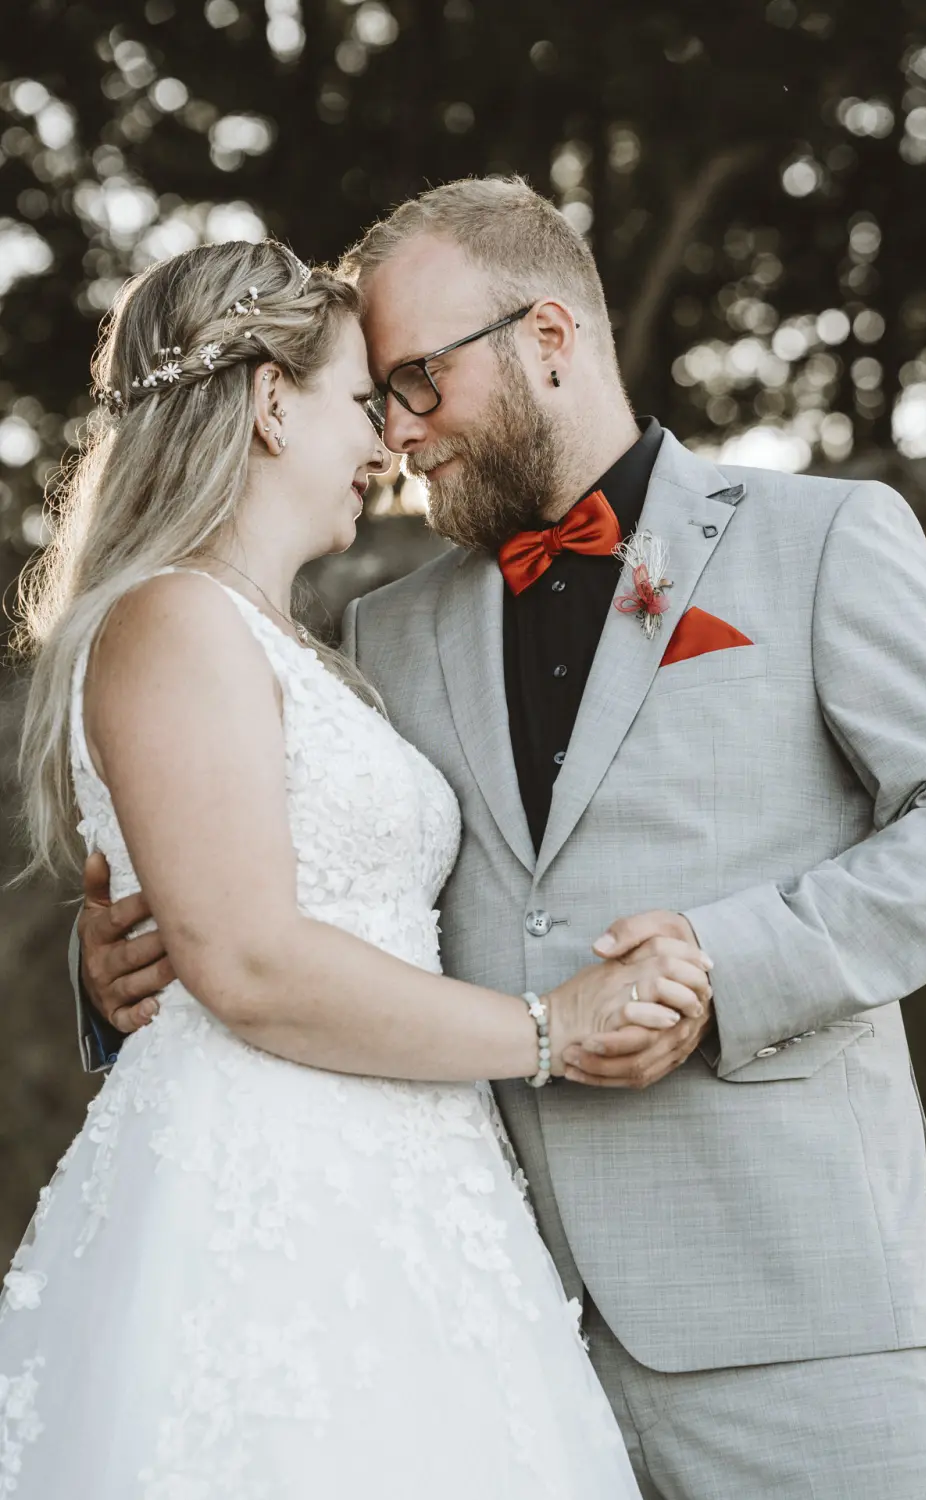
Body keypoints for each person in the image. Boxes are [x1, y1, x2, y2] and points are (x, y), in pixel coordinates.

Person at [76, 180, 926, 1499]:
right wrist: (113, 970)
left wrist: (725, 966)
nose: (397, 433)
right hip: (488, 1322)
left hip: (792, 1311)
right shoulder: (385, 630)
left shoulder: (822, 540)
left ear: (549, 337)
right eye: (375, 395)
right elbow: (301, 892)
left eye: (417, 382)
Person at [1, 237, 717, 1498]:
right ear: (272, 404)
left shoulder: (301, 642)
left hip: (412, 1181)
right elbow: (253, 960)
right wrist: (552, 1028)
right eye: (358, 400)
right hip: (276, 1191)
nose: (387, 439)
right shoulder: (173, 616)